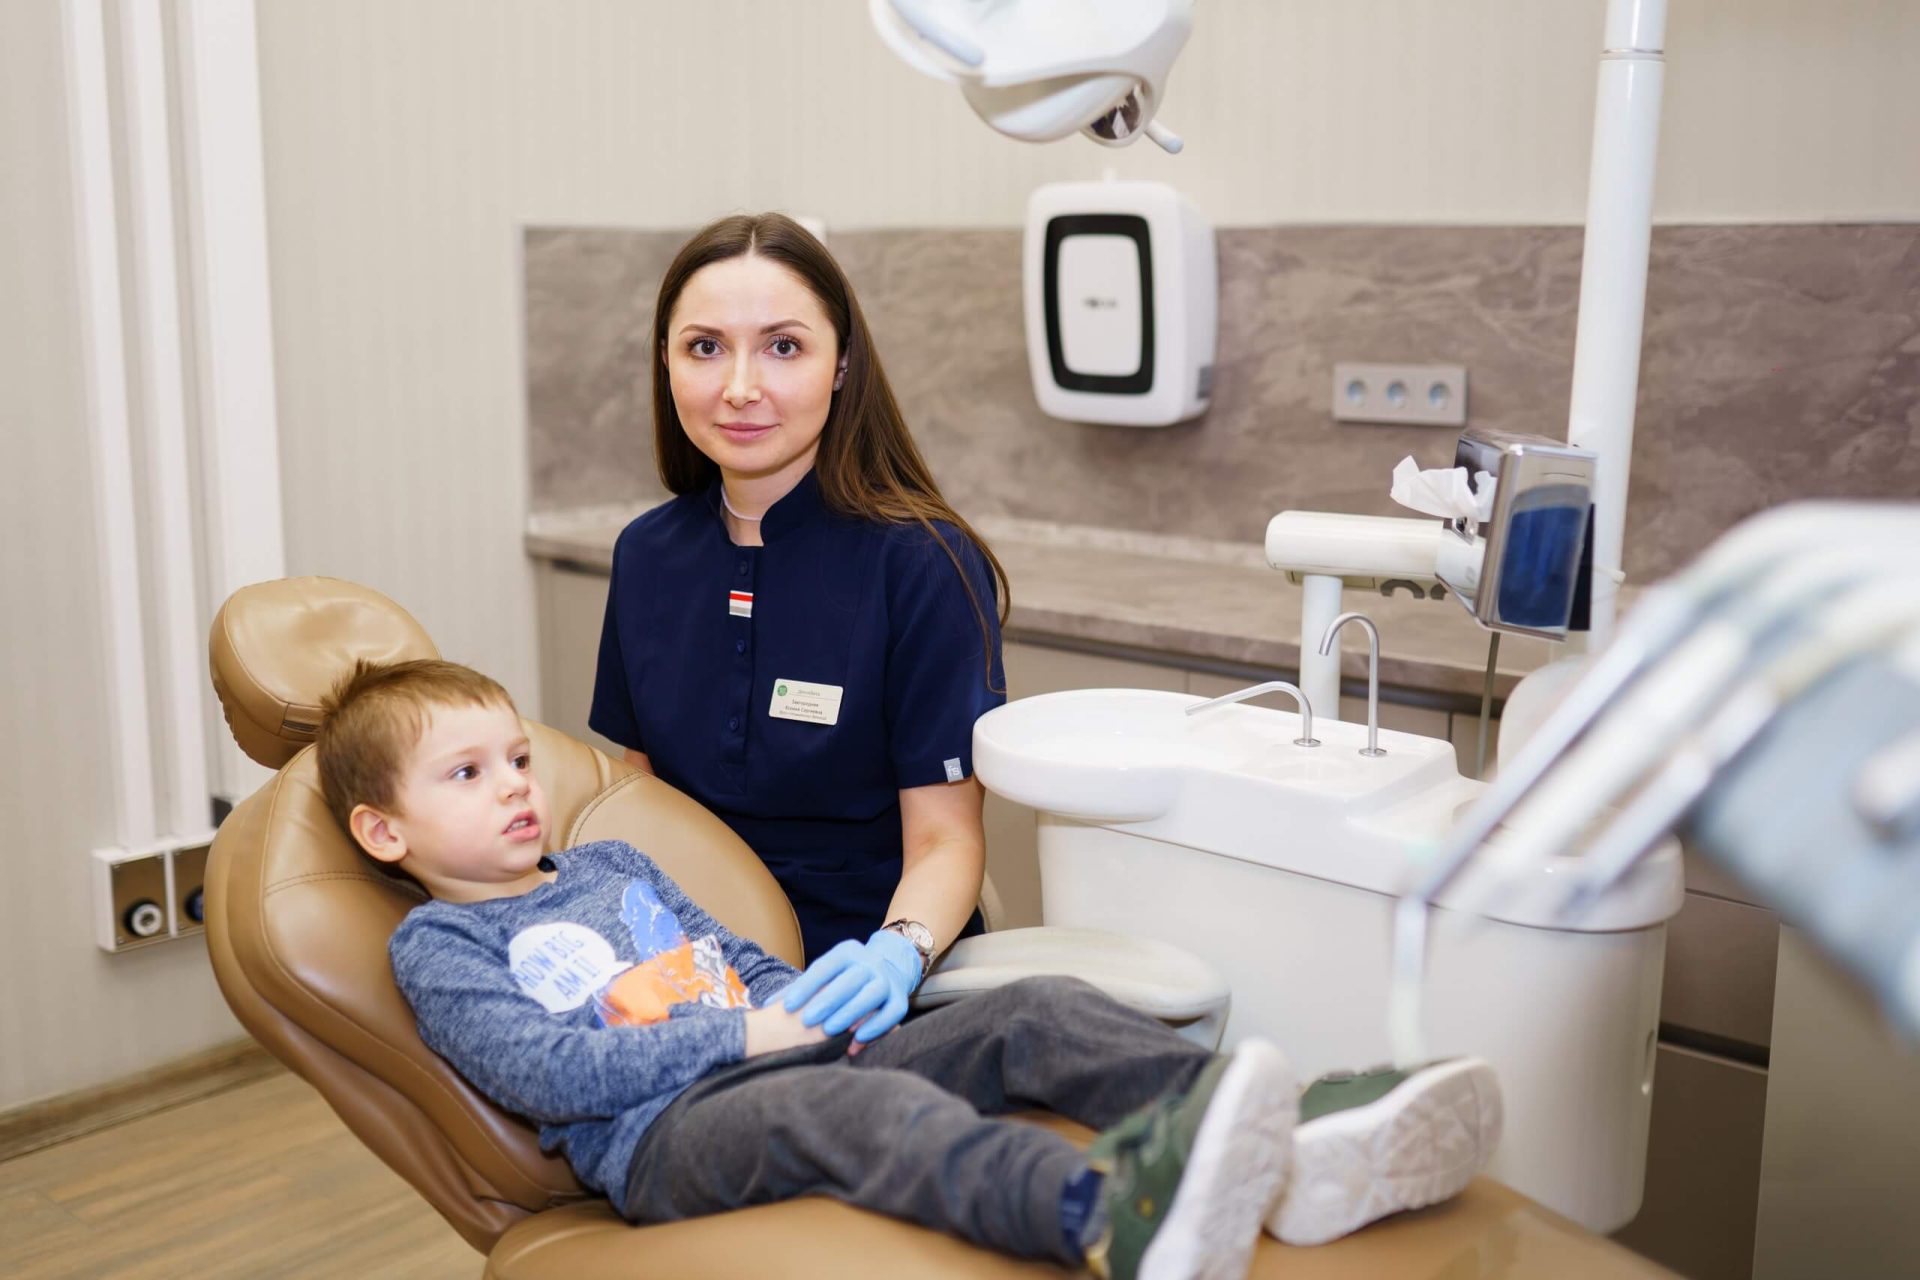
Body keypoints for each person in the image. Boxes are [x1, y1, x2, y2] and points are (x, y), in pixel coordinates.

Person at [317, 657, 1503, 1278]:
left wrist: (808, 1001)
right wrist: (752, 1036)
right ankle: (1106, 1217)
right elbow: (541, 1070)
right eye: (467, 774)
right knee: (865, 1111)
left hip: (796, 1050)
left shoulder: (610, 860)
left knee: (1035, 1010)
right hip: (668, 1132)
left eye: (517, 756)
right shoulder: (440, 944)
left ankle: (1300, 1145)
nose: (516, 784)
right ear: (383, 829)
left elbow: (732, 961)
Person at [587, 212, 1013, 1044]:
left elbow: (946, 839)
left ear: (842, 362)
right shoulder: (647, 556)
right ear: (666, 362)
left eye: (783, 346)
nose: (740, 386)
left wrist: (897, 955)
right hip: (697, 975)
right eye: (705, 347)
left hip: (865, 971)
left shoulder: (922, 563)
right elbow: (640, 810)